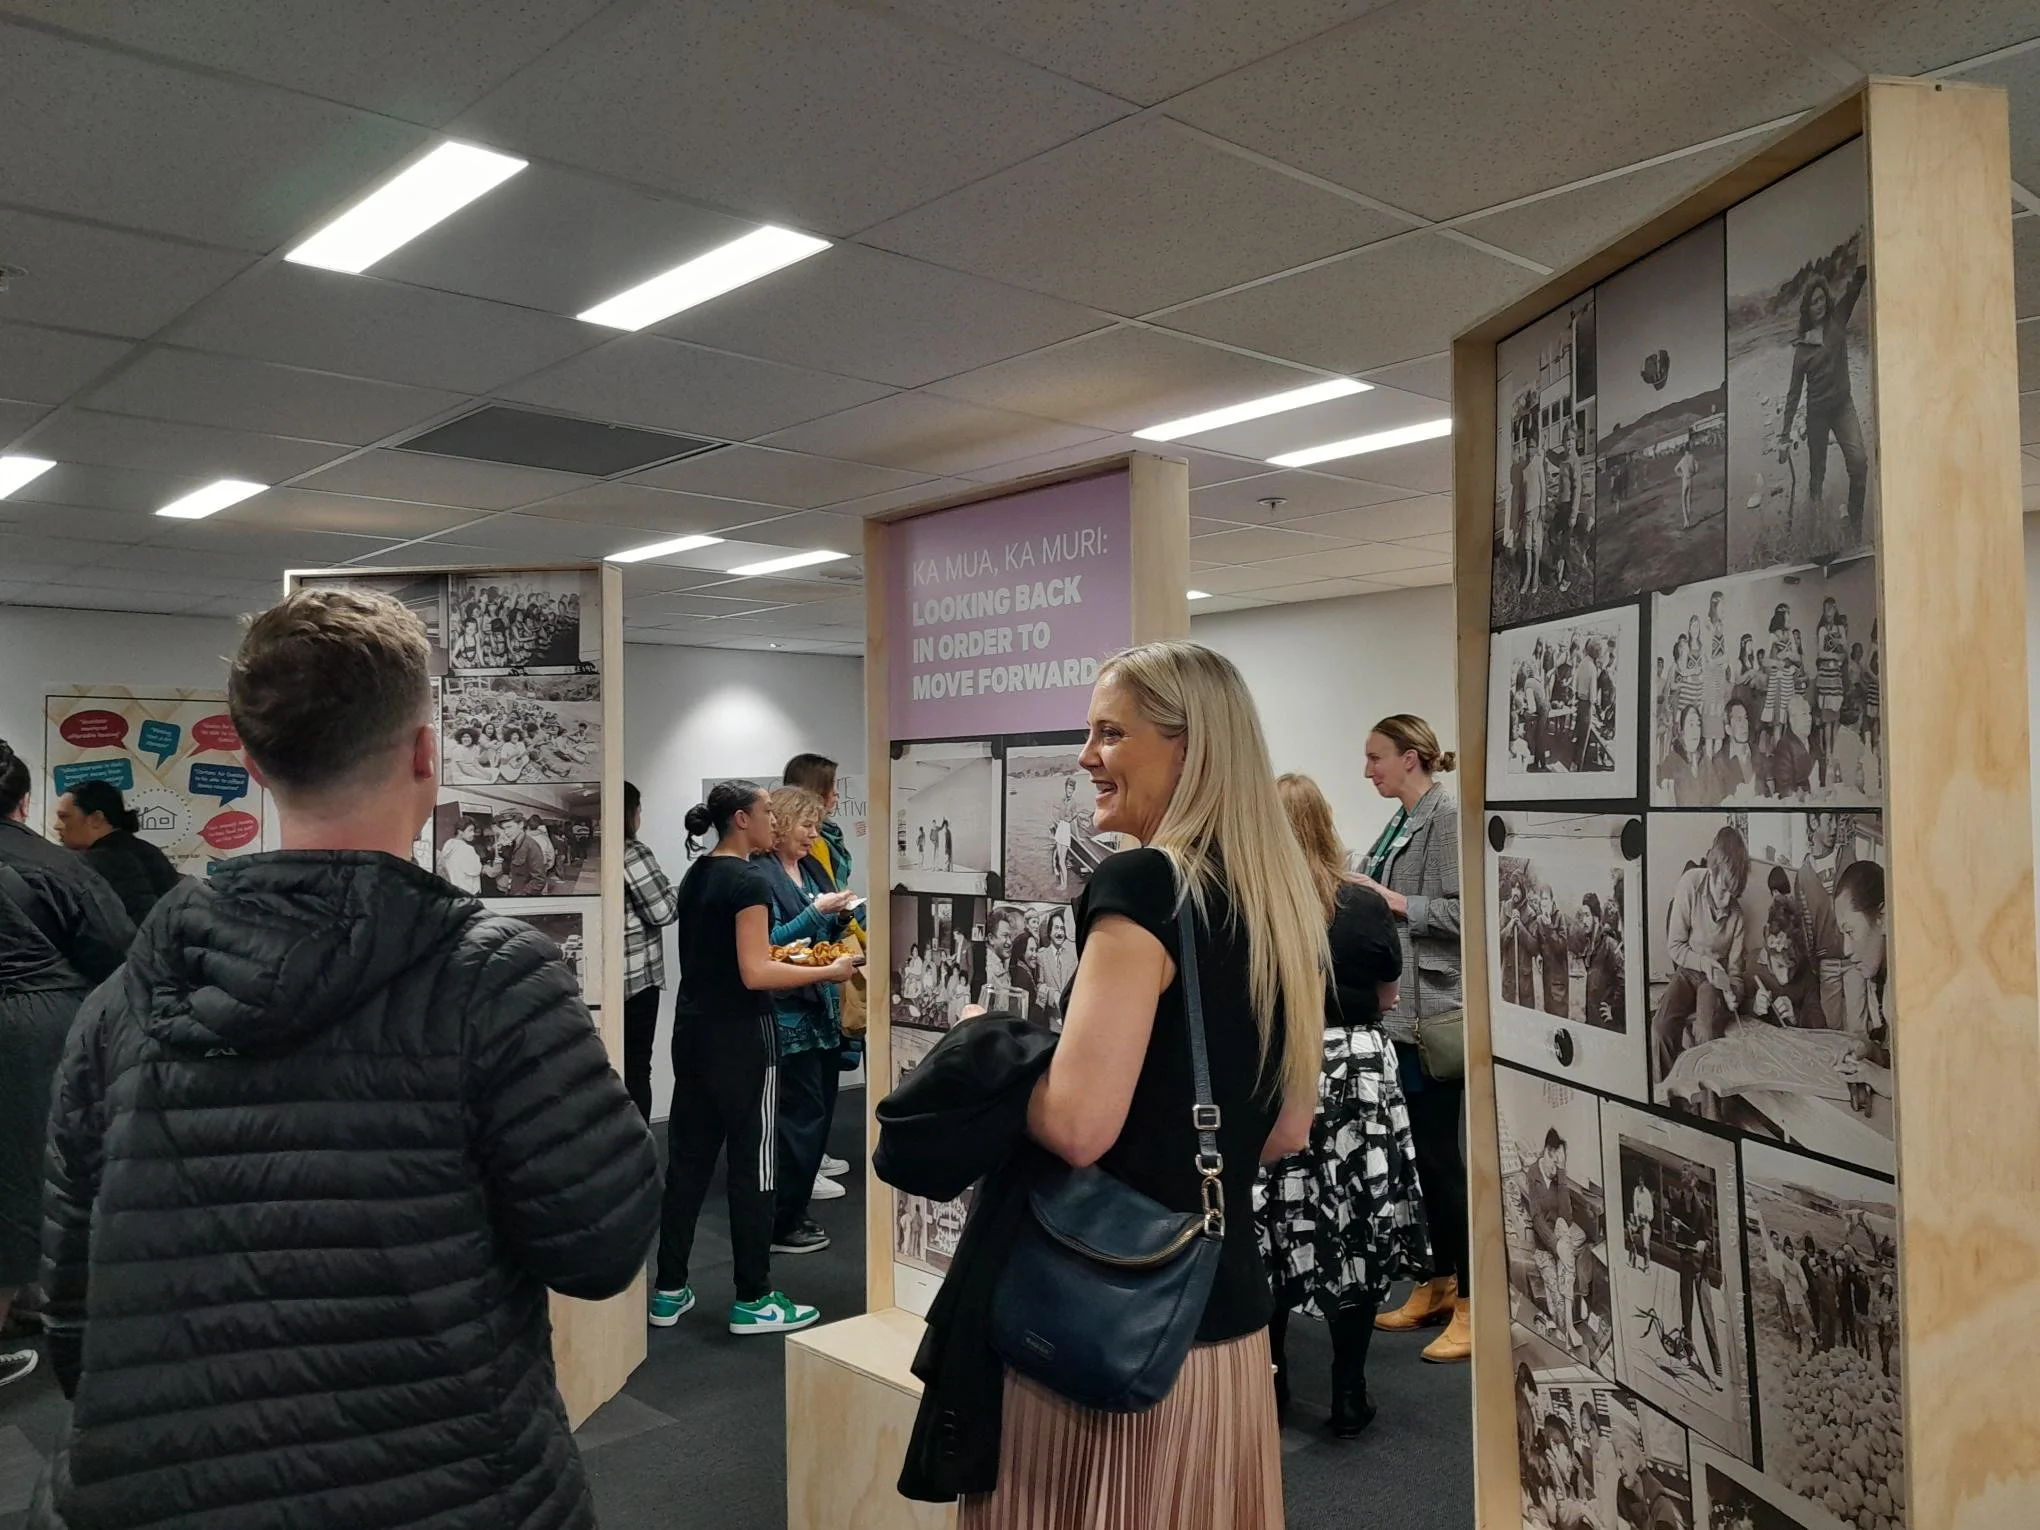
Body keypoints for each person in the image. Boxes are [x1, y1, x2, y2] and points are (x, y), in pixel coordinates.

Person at [32, 590, 658, 1529]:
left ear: (252, 764)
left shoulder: (121, 1002)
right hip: (456, 1484)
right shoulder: (497, 983)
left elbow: (74, 1312)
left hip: (155, 1490)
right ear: (425, 755)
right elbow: (601, 1248)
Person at [949, 642, 1326, 1527]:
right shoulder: (1279, 895)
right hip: (1221, 1320)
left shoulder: (1143, 884)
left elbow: (1079, 1125)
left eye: (1111, 733)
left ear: (1188, 746)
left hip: (1107, 1316)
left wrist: (984, 1045)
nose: (1087, 756)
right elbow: (1287, 1130)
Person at [650, 781, 858, 1337]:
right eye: (767, 811)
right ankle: (755, 1297)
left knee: (688, 1164)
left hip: (693, 1035)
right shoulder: (747, 881)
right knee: (755, 1166)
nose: (775, 820)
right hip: (743, 1040)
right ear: (741, 819)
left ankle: (668, 1290)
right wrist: (829, 971)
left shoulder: (698, 873)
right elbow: (755, 970)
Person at [1258, 774, 1427, 1438]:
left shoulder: (1250, 902)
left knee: (1274, 1222)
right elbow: (1388, 995)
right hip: (1357, 1073)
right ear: (1325, 825)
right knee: (1354, 1225)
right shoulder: (1362, 903)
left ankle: (1270, 1381)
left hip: (1279, 1065)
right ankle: (1349, 1391)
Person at [0, 743, 137, 1392]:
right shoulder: (58, 866)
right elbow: (115, 950)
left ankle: (19, 1301)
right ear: (24, 802)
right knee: (24, 1180)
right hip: (34, 1031)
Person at [1350, 715, 1470, 1363]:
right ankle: (1437, 1282)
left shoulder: (1445, 817)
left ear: (1411, 758)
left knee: (1442, 1164)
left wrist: (1392, 902)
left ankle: (1473, 1302)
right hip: (1400, 1020)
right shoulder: (1401, 820)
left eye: (1376, 757)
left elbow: (1465, 912)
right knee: (1420, 1164)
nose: (1367, 770)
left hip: (1433, 1018)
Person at [754, 785, 858, 1257]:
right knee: (796, 1120)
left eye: (816, 826)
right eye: (807, 825)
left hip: (820, 1010)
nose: (814, 835)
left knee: (816, 1118)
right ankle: (781, 1221)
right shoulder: (760, 877)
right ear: (779, 825)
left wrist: (841, 917)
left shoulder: (812, 868)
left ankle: (793, 1212)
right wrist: (817, 912)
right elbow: (770, 943)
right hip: (787, 1015)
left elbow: (822, 933)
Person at [1649, 826, 1749, 1082]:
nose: (1726, 902)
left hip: (1713, 980)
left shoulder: (1737, 915)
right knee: (1659, 1029)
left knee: (1705, 1032)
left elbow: (1736, 975)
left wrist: (1733, 993)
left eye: (1733, 894)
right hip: (1688, 969)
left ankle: (1706, 1101)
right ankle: (1669, 1093)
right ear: (1712, 869)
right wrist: (1703, 962)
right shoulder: (1690, 883)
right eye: (1723, 889)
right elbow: (1675, 946)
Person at [1778, 264, 1871, 529]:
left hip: (1843, 407)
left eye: (1821, 299)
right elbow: (1794, 394)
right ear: (1806, 309)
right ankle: (1816, 526)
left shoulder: (1838, 318)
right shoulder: (1802, 348)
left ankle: (1854, 525)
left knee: (1859, 463)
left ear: (1827, 300)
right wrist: (1784, 436)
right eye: (1813, 302)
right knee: (1817, 474)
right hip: (1817, 415)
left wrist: (1861, 268)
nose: (1819, 305)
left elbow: (1854, 288)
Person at [621, 780, 681, 1122]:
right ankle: (636, 1144)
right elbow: (663, 911)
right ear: (631, 812)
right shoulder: (631, 851)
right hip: (635, 981)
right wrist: (675, 891)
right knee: (636, 1067)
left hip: (598, 983)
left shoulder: (593, 850)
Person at [53, 778, 182, 926]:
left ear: (96, 819)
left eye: (64, 817)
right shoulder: (151, 852)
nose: (57, 826)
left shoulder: (88, 864)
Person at [436, 815, 483, 894]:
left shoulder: (448, 844)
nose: (473, 833)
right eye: (470, 830)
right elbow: (475, 870)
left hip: (453, 887)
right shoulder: (467, 848)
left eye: (473, 830)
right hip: (467, 889)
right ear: (460, 832)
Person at [1675, 439, 1698, 529]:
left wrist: (1681, 475)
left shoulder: (1683, 459)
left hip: (1685, 479)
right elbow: (1697, 466)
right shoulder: (1692, 457)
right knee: (1689, 500)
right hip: (1690, 479)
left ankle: (1686, 521)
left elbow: (1675, 469)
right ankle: (1688, 521)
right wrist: (1694, 472)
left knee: (1683, 501)